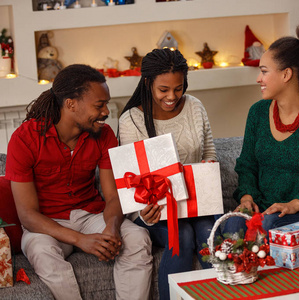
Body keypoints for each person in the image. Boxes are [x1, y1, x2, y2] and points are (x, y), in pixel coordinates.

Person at [5, 64, 152, 300]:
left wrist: (112, 230)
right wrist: (81, 241)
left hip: (89, 214)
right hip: (46, 223)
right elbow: (27, 215)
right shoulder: (25, 139)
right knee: (43, 253)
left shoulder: (103, 135)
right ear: (71, 104)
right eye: (98, 105)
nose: (106, 111)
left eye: (106, 103)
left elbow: (113, 196)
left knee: (137, 239)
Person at [224, 23, 299, 236]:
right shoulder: (257, 113)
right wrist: (247, 198)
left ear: (286, 74)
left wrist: (296, 204)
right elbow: (247, 165)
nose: (258, 79)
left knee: (268, 228)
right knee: (232, 226)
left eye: (264, 72)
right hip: (263, 211)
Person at [118, 48, 217, 300]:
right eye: (164, 89)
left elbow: (209, 152)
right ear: (148, 83)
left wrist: (207, 169)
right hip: (155, 209)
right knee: (181, 234)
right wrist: (142, 212)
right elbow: (130, 178)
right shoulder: (132, 119)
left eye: (178, 87)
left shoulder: (195, 107)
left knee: (210, 233)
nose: (172, 96)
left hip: (197, 204)